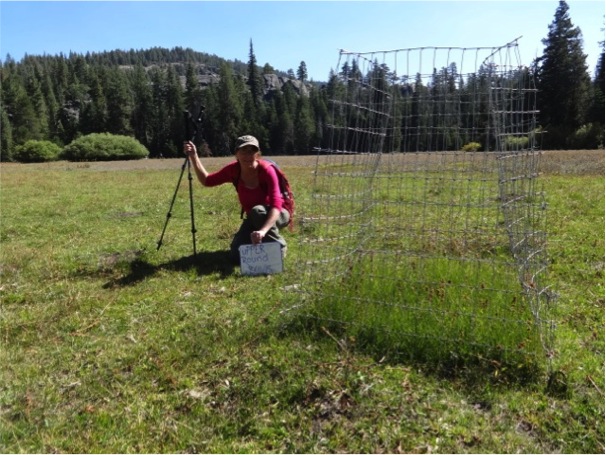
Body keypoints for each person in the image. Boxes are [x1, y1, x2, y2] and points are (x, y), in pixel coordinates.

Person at [183, 135, 289, 264]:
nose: (248, 155)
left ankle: (279, 247)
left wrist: (262, 231)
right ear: (236, 154)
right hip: (254, 216)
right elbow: (207, 180)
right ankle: (262, 241)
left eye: (252, 151)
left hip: (278, 213)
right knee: (236, 255)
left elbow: (276, 204)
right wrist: (194, 156)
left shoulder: (267, 170)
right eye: (243, 151)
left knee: (257, 211)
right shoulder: (234, 170)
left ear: (258, 153)